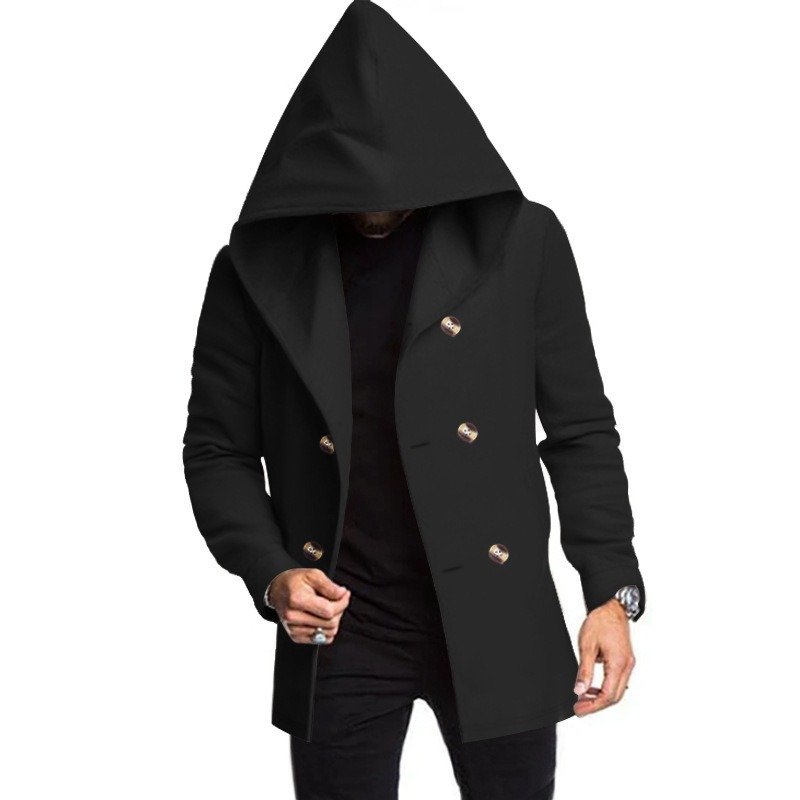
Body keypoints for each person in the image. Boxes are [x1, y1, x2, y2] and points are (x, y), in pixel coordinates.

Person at [183, 2, 645, 798]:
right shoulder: (254, 269)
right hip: (342, 624)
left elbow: (579, 429)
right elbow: (217, 449)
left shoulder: (520, 242)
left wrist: (611, 591)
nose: (375, 199)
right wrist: (272, 573)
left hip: (493, 613)